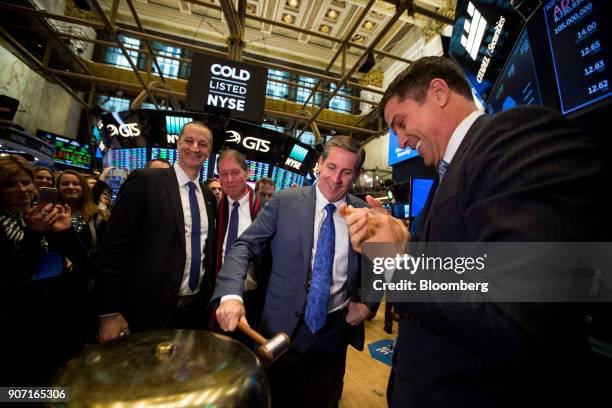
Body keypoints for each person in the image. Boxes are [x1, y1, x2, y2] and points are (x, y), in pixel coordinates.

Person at [343, 56, 604, 407]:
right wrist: (400, 238)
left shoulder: (515, 138)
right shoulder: (445, 179)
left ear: (438, 92)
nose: (402, 142)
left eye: (401, 124)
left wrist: (398, 260)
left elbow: (517, 302)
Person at [213, 136, 378, 407]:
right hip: (279, 329)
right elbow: (244, 246)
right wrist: (231, 294)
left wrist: (369, 304)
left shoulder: (365, 212)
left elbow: (378, 262)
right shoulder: (283, 202)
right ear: (320, 164)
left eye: (346, 172)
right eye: (332, 167)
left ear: (357, 175)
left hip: (334, 330)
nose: (336, 179)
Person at [96, 121, 217, 342]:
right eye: (188, 141)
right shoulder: (145, 181)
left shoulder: (208, 197)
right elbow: (113, 248)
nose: (195, 148)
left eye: (203, 144)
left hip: (192, 312)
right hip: (144, 311)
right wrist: (109, 312)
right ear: (178, 143)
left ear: (209, 151)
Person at [0, 155, 82, 385]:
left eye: (26, 182)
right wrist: (34, 233)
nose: (22, 189)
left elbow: (77, 262)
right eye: (11, 184)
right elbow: (18, 272)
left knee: (56, 386)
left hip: (49, 321)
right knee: (17, 393)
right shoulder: (20, 224)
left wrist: (64, 232)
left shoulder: (34, 217)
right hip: (14, 327)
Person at [214, 150, 266, 330]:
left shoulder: (265, 210)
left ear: (247, 173)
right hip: (216, 296)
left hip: (252, 298)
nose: (229, 179)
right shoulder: (215, 207)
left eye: (235, 172)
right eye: (223, 174)